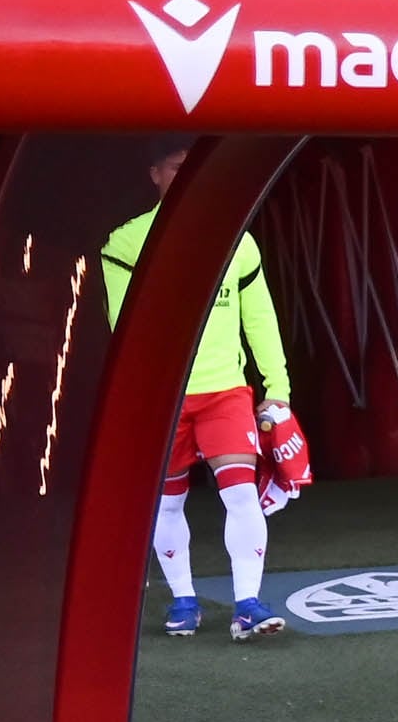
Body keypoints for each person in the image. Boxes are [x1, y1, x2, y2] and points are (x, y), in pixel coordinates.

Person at [103, 153, 295, 641]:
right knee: (168, 505)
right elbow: (123, 329)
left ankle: (247, 605)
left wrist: (279, 389)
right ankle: (184, 601)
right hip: (161, 399)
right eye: (172, 166)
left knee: (242, 494)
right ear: (153, 174)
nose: (183, 175)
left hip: (224, 392)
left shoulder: (237, 241)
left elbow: (261, 319)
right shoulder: (125, 243)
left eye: (192, 165)